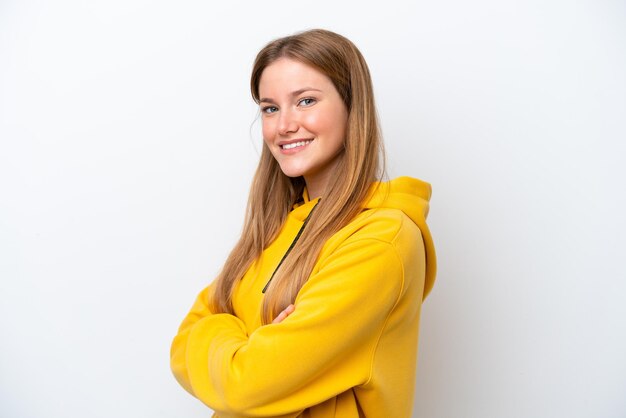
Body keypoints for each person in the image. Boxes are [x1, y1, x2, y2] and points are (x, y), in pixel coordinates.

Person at [170, 28, 437, 417]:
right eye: (270, 108)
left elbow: (245, 386)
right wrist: (253, 343)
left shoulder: (381, 240)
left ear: (351, 107)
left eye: (306, 101)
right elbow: (181, 344)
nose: (284, 126)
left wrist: (232, 337)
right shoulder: (274, 227)